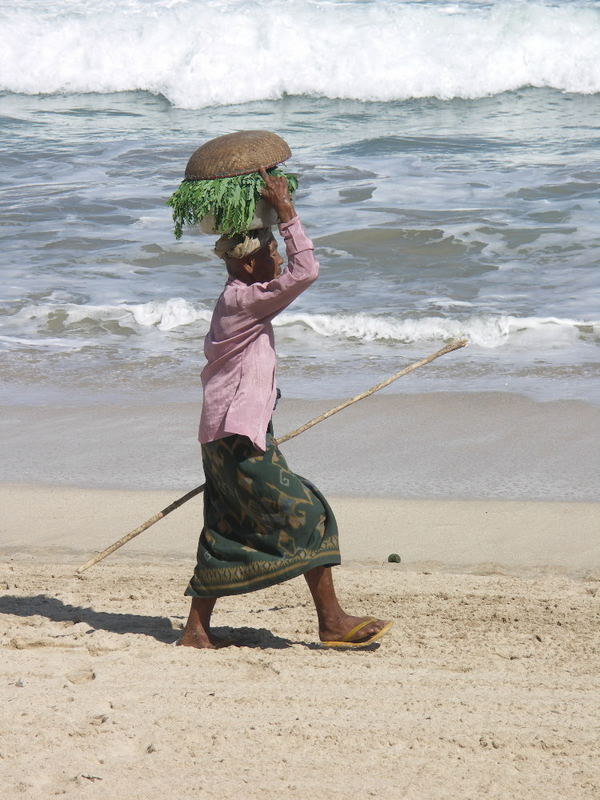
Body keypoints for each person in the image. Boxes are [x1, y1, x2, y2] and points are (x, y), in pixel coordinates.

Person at [180, 168, 393, 649]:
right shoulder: (245, 301)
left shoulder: (237, 298)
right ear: (249, 265)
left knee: (225, 525)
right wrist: (289, 212)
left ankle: (195, 631)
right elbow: (308, 271)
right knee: (308, 513)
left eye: (276, 246)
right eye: (270, 250)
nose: (277, 255)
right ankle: (333, 621)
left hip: (227, 433)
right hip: (237, 435)